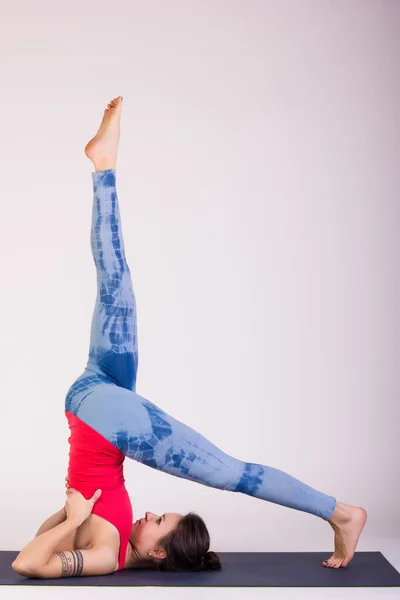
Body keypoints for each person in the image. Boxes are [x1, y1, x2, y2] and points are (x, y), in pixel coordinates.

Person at [12, 97, 367, 579]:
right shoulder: (111, 545)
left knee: (230, 473)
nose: (150, 514)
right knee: (115, 279)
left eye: (158, 521)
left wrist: (71, 519)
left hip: (103, 415)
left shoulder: (107, 555)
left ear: (158, 552)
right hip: (100, 404)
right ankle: (104, 166)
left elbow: (28, 562)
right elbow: (41, 551)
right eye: (161, 517)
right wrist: (72, 519)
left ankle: (341, 512)